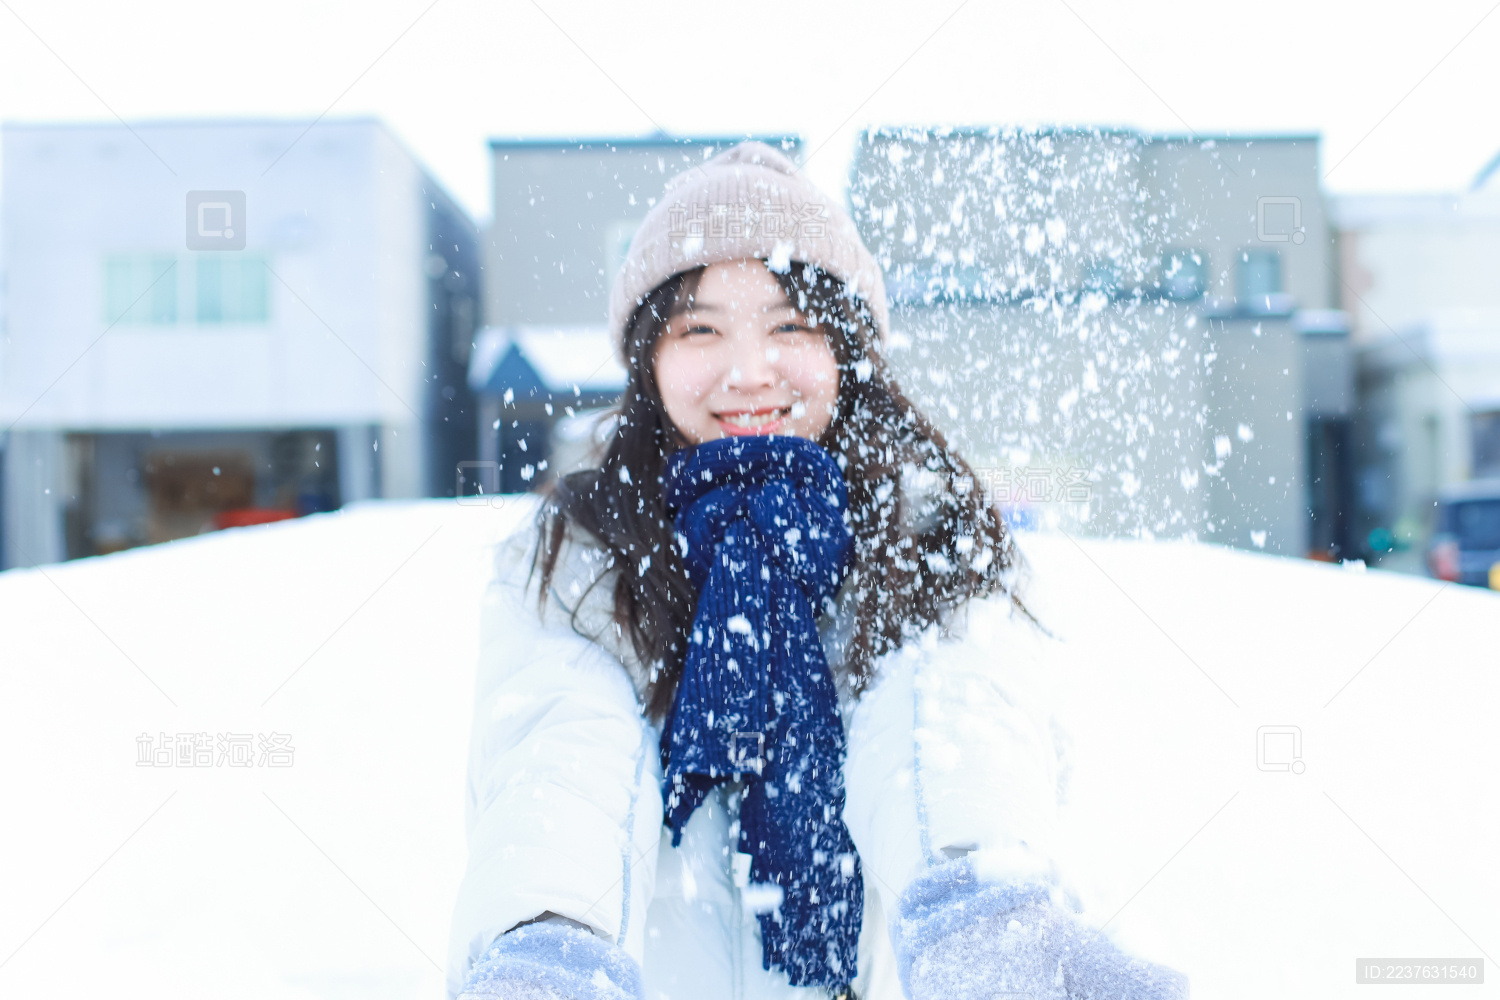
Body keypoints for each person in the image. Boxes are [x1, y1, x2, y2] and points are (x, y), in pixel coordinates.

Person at [446, 141, 1188, 1000]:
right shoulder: (582, 550)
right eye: (700, 328)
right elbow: (565, 746)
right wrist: (547, 952)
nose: (748, 372)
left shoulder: (927, 534)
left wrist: (979, 909)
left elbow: (949, 712)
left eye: (790, 325)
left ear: (846, 346)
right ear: (650, 356)